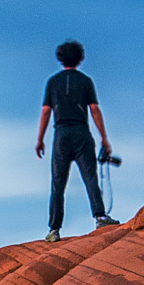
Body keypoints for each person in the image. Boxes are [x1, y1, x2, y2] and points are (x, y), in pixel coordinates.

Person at [35, 40, 118, 240]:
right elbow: (95, 109)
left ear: (60, 58)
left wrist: (40, 139)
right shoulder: (86, 81)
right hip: (81, 131)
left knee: (58, 182)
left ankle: (54, 229)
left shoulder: (53, 82)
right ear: (80, 58)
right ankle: (100, 217)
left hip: (61, 134)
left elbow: (46, 111)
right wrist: (104, 138)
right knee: (90, 177)